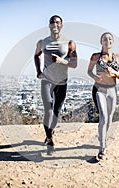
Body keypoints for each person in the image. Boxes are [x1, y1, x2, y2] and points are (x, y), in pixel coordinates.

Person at [34, 15, 77, 153]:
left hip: (62, 82)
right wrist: (38, 71)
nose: (55, 25)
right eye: (52, 23)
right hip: (47, 80)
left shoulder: (69, 43)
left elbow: (74, 64)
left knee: (56, 112)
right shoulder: (42, 42)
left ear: (62, 25)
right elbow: (36, 55)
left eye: (58, 23)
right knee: (48, 110)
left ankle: (50, 132)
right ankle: (50, 140)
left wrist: (61, 61)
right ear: (49, 25)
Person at [87, 32, 119, 159]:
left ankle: (102, 136)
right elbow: (89, 71)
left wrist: (114, 72)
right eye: (104, 39)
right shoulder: (95, 56)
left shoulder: (118, 57)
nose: (107, 41)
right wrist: (94, 76)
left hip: (112, 91)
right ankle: (102, 148)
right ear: (101, 42)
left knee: (109, 120)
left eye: (110, 39)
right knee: (103, 117)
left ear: (112, 42)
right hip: (99, 90)